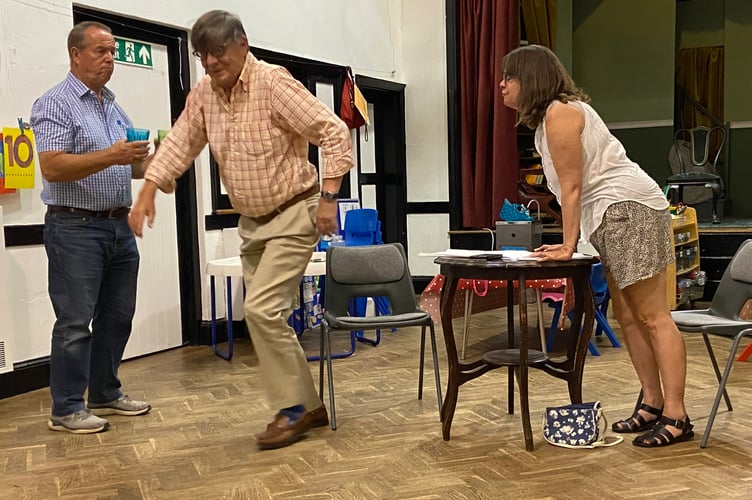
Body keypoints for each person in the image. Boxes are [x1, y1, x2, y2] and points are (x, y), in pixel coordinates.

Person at [128, 10, 353, 450]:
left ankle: (291, 411)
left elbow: (333, 130)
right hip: (252, 223)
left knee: (262, 311)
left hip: (294, 212)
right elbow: (180, 141)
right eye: (202, 55)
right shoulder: (205, 95)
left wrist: (329, 197)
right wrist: (149, 188)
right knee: (269, 319)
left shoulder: (273, 84)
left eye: (217, 52)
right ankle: (307, 403)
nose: (211, 63)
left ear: (242, 45)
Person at [499, 45, 692, 447]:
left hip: (627, 208)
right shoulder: (548, 121)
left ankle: (677, 414)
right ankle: (652, 403)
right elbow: (570, 190)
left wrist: (568, 245)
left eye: (509, 77)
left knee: (652, 314)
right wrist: (573, 238)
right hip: (610, 213)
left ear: (530, 79)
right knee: (626, 313)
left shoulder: (561, 113)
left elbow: (572, 186)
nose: (502, 85)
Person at [30, 21, 153, 434]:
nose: (110, 59)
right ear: (75, 54)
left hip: (118, 227)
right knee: (74, 321)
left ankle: (104, 392)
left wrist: (147, 162)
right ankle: (65, 408)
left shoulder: (112, 107)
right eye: (101, 51)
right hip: (74, 228)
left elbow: (127, 166)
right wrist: (113, 155)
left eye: (113, 52)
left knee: (117, 317)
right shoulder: (56, 103)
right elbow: (52, 165)